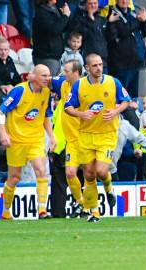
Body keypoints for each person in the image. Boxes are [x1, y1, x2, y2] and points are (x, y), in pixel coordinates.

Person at [65, 54, 131, 222]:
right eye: (94, 65)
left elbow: (126, 101)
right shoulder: (79, 85)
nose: (98, 68)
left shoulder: (112, 82)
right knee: (89, 174)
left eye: (100, 64)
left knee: (102, 171)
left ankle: (109, 188)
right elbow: (68, 107)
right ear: (87, 68)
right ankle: (94, 212)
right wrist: (81, 113)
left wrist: (115, 111)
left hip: (107, 135)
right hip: (86, 135)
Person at [0, 64, 56, 220]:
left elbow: (46, 116)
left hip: (35, 139)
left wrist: (52, 136)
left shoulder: (47, 93)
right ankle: (6, 211)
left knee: (41, 171)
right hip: (16, 141)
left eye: (49, 75)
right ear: (33, 76)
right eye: (44, 75)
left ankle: (42, 210)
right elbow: (1, 111)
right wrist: (3, 132)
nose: (47, 78)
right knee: (14, 177)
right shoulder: (20, 90)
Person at [51, 60, 85, 218]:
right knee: (70, 173)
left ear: (76, 73)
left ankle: (106, 193)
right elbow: (46, 78)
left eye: (67, 71)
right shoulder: (63, 84)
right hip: (70, 140)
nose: (64, 74)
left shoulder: (86, 88)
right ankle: (81, 203)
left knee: (93, 173)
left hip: (86, 137)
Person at [106, 0, 146, 98]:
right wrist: (138, 21)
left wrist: (144, 21)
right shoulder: (113, 14)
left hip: (134, 64)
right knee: (119, 97)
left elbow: (144, 33)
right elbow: (122, 30)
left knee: (132, 99)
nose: (124, 1)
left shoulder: (132, 14)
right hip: (121, 66)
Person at [32, 0, 71, 76]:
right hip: (46, 56)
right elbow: (54, 30)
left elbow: (64, 27)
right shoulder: (41, 12)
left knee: (55, 84)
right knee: (48, 84)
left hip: (56, 55)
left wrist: (66, 16)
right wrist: (65, 16)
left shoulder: (55, 8)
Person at [69, 0, 109, 72]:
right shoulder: (79, 19)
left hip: (103, 61)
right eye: (90, 3)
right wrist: (91, 20)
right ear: (85, 5)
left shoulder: (101, 19)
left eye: (95, 3)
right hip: (88, 60)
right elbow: (84, 35)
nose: (93, 6)